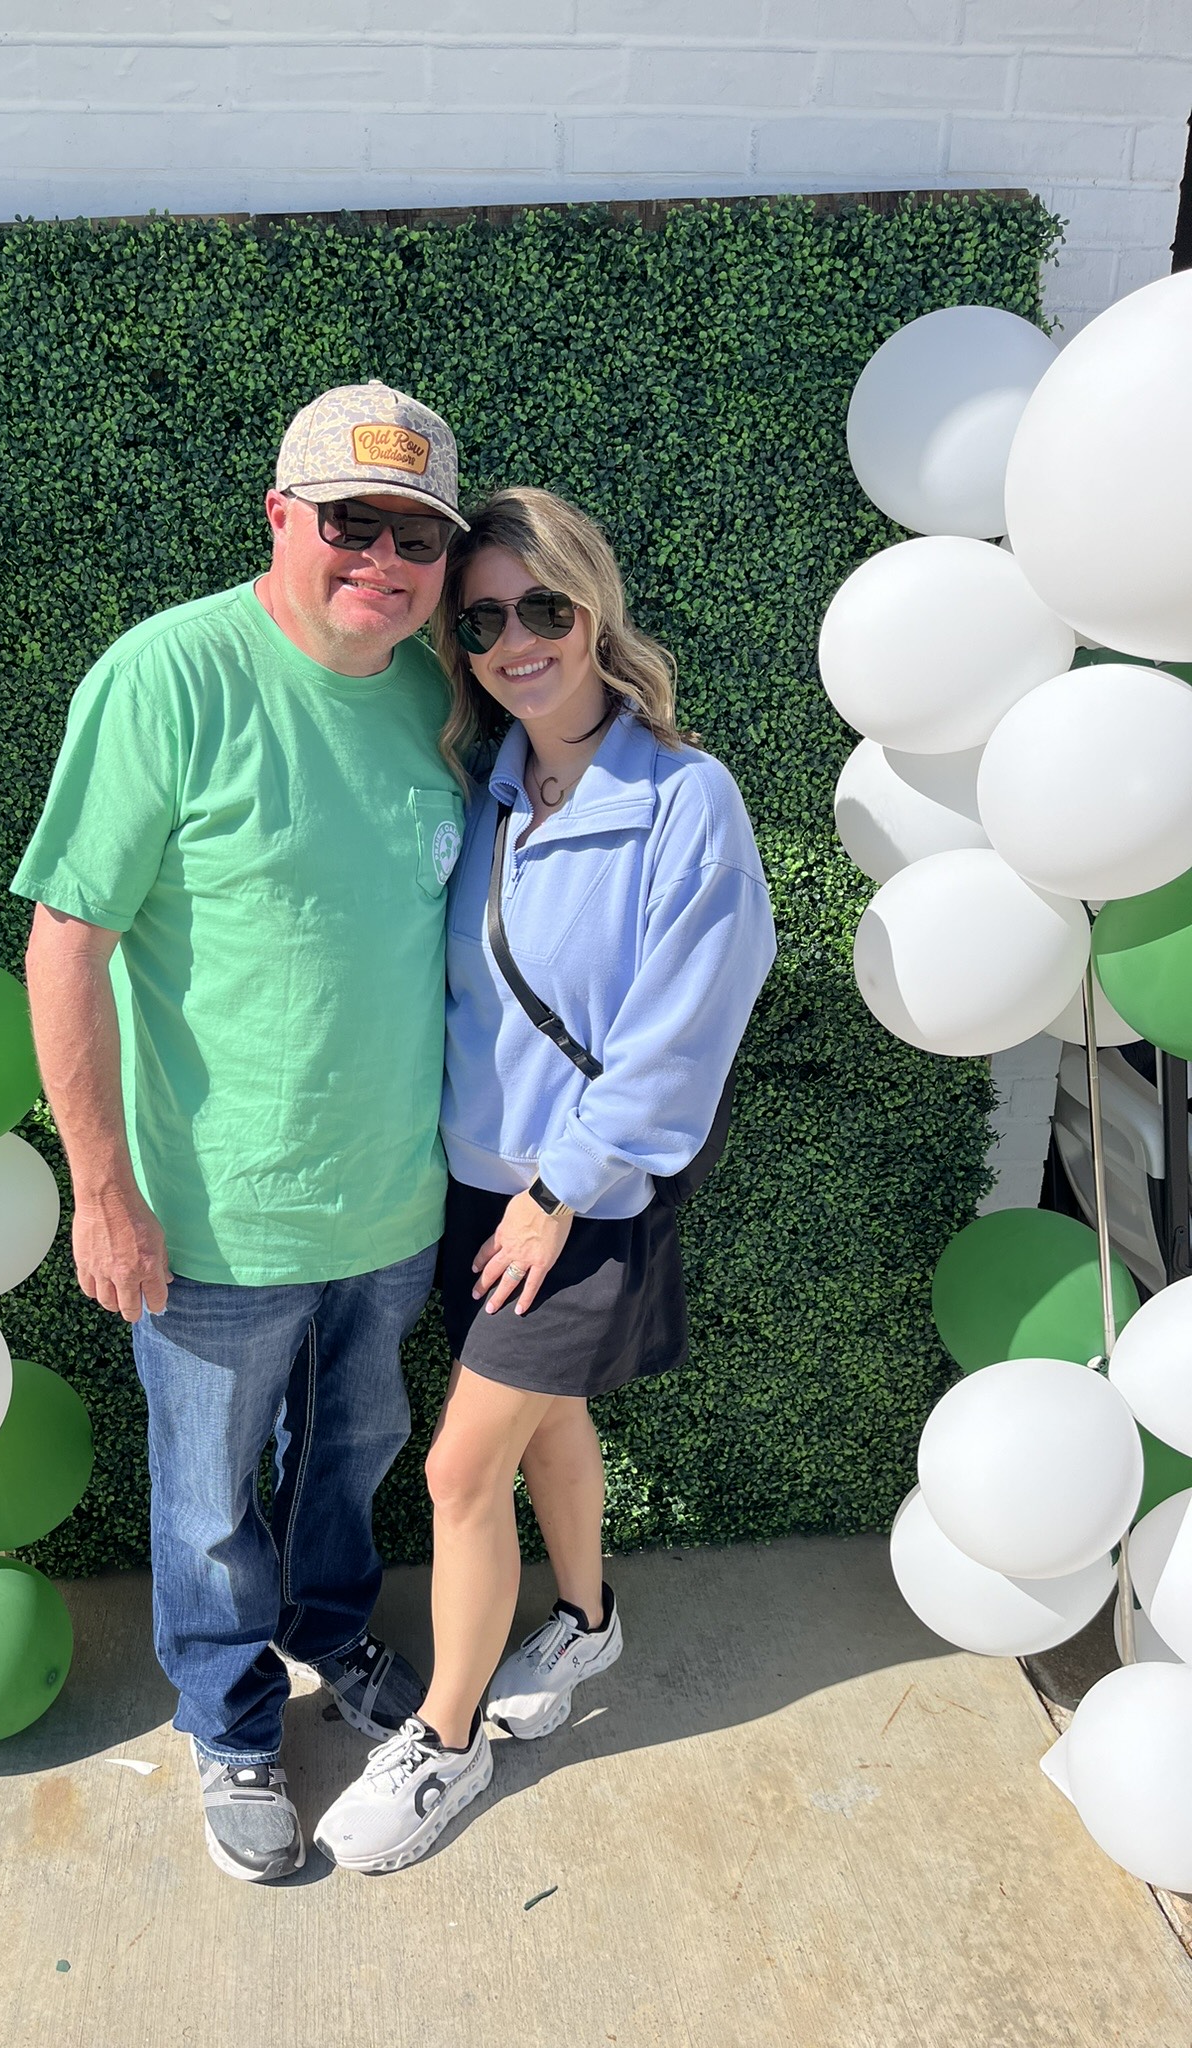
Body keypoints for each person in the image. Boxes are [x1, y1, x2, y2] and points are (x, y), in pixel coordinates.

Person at [12, 382, 471, 1884]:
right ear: (280, 517)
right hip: (211, 1217)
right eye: (352, 522)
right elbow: (66, 941)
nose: (384, 559)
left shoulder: (437, 697)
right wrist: (102, 1190)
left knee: (354, 1454)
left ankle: (332, 1632)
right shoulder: (168, 674)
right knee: (210, 1506)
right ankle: (230, 1720)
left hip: (391, 1201)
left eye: (417, 535)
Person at [315, 487, 777, 1874]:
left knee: (461, 1470)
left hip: (581, 1199)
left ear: (595, 611)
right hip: (477, 1185)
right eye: (483, 621)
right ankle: (585, 1622)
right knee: (545, 1420)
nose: (516, 641)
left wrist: (557, 1190)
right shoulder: (491, 792)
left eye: (543, 608)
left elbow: (681, 1034)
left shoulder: (682, 799)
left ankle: (446, 1741)